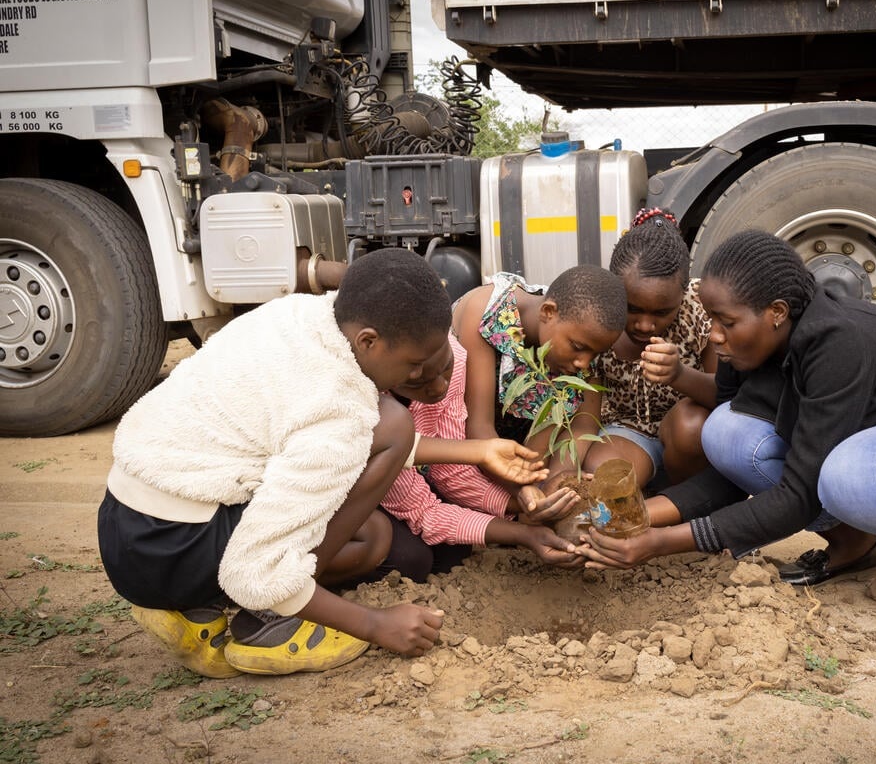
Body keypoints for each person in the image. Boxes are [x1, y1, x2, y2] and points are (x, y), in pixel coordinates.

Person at [578, 230, 876, 631]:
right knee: (726, 433)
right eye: (711, 319)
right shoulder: (756, 345)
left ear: (776, 312)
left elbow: (799, 495)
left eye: (725, 322)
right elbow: (731, 478)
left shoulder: (838, 343)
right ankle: (854, 546)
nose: (712, 335)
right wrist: (638, 518)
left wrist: (659, 543)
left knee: (848, 476)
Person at [98, 249, 473, 679]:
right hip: (172, 551)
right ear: (368, 341)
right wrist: (374, 624)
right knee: (374, 522)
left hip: (124, 524)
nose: (425, 378)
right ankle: (271, 621)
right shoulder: (338, 408)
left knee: (387, 436)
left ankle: (192, 609)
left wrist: (474, 450)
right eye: (415, 366)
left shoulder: (300, 316)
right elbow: (253, 570)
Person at [371, 334, 587, 581]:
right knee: (411, 561)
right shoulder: (375, 408)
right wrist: (524, 534)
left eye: (445, 368)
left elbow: (452, 472)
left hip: (405, 477)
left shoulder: (450, 355)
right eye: (420, 381)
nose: (440, 387)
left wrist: (524, 501)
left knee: (452, 555)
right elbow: (424, 512)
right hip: (356, 490)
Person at [451, 264, 626, 492]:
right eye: (577, 347)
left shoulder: (580, 337)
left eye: (596, 354)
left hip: (518, 447)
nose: (584, 363)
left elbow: (584, 424)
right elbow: (478, 427)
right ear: (548, 312)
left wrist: (558, 479)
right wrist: (523, 490)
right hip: (462, 440)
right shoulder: (487, 314)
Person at [585, 208, 717, 488]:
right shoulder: (599, 314)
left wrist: (679, 375)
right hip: (627, 431)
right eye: (632, 309)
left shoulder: (700, 307)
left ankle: (683, 502)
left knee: (690, 427)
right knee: (605, 474)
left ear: (683, 294)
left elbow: (727, 396)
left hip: (691, 435)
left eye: (661, 312)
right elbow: (586, 415)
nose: (645, 325)